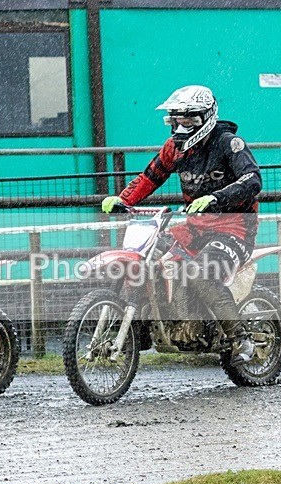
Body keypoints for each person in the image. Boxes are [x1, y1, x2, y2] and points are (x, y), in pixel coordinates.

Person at [101, 85, 262, 365]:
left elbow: (253, 180)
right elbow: (150, 177)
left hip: (234, 228)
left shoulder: (228, 143)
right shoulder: (174, 148)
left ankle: (240, 339)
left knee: (202, 273)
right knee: (143, 257)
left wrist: (216, 197)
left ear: (206, 117)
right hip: (194, 228)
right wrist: (123, 199)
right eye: (176, 119)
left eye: (188, 118)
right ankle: (138, 329)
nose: (181, 125)